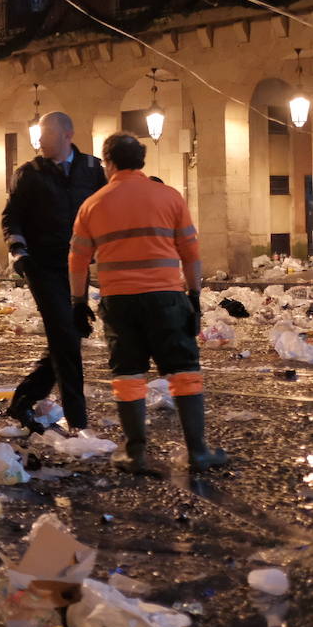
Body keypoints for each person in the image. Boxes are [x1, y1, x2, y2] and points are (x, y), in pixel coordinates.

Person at [69, 132, 227, 473]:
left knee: (127, 374)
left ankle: (135, 452)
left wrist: (78, 302)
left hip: (120, 302)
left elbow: (78, 260)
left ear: (107, 162)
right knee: (184, 371)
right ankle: (198, 451)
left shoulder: (93, 204)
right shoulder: (169, 197)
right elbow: (191, 253)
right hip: (167, 299)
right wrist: (195, 296)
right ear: (141, 162)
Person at [1, 111, 106, 433]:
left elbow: (107, 206)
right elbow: (12, 217)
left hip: (76, 266)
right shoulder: (29, 174)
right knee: (65, 336)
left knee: (70, 335)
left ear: (66, 135)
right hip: (42, 266)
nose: (40, 141)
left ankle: (24, 399)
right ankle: (78, 421)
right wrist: (19, 251)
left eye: (46, 134)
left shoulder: (92, 169)